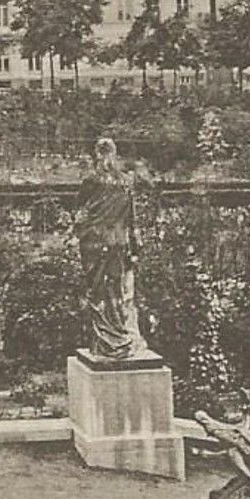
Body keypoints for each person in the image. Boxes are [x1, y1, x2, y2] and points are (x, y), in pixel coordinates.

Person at [73, 137, 147, 360]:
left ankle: (108, 343)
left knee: (99, 293)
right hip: (118, 244)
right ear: (114, 154)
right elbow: (132, 220)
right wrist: (135, 246)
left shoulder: (91, 180)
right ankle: (121, 338)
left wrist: (77, 233)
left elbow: (80, 214)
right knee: (118, 291)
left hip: (96, 244)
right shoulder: (126, 181)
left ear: (97, 154)